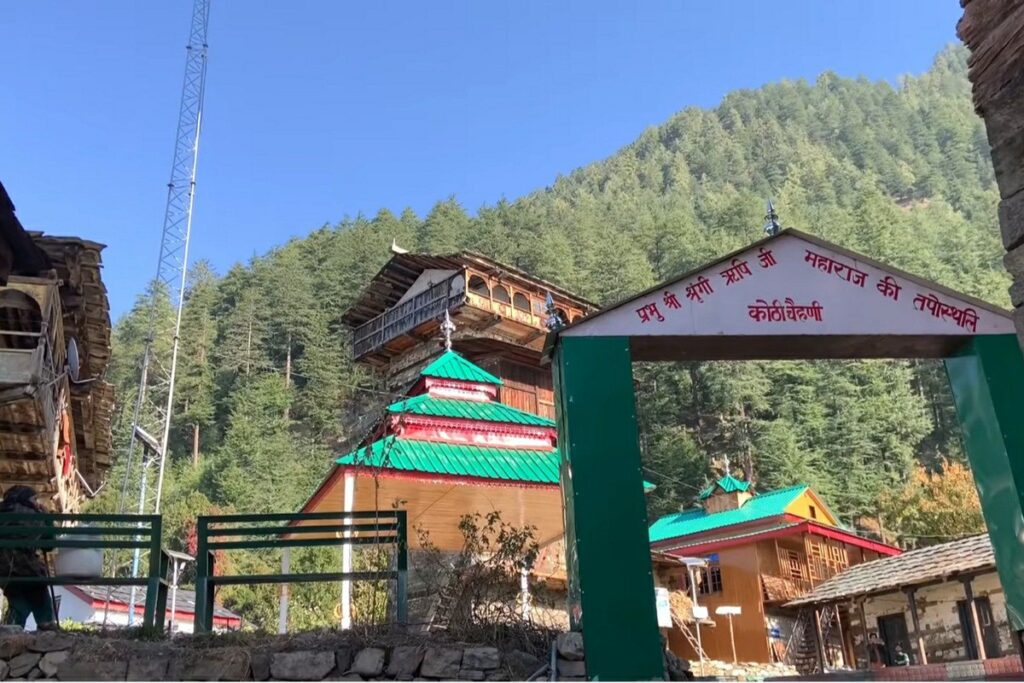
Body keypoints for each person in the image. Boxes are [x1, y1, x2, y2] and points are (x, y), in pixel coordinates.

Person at [0, 486, 58, 630]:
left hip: (2, 570)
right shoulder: (33, 515)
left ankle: (11, 628)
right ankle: (46, 626)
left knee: (18, 599)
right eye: (34, 499)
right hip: (24, 567)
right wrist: (47, 518)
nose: (36, 502)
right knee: (39, 590)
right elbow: (49, 545)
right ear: (26, 499)